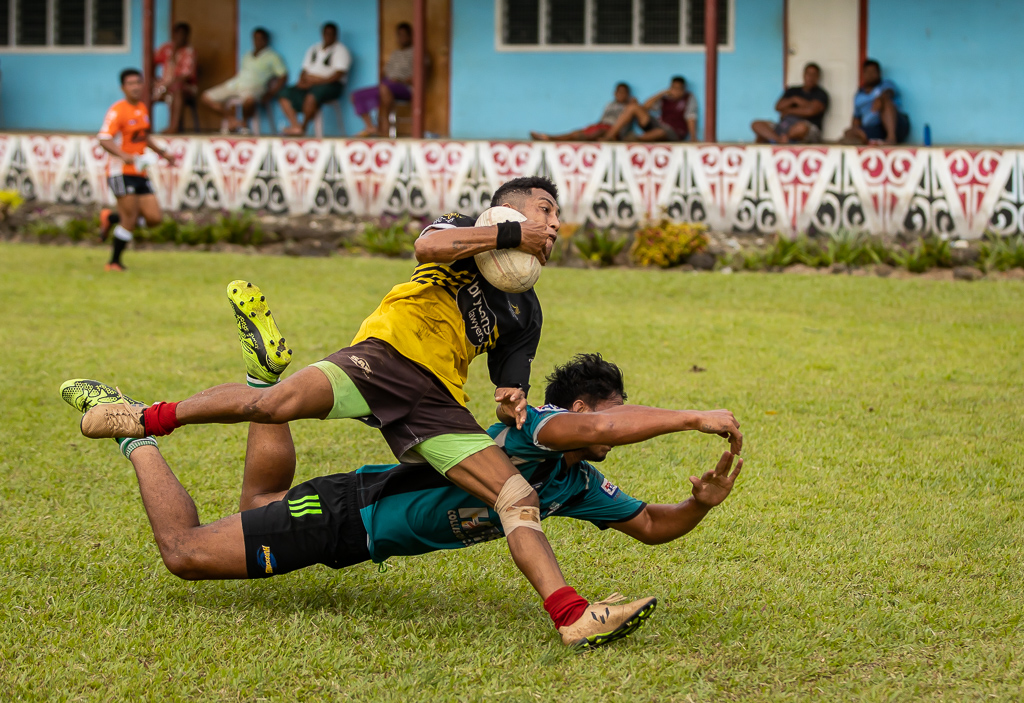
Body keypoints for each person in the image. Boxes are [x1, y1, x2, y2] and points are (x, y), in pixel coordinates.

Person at [76, 176, 741, 647]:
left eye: (554, 218)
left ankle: (571, 615)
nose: (552, 224)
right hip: (383, 357)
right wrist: (508, 229)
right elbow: (427, 247)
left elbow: (511, 386)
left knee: (516, 492)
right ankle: (143, 420)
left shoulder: (525, 311)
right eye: (542, 210)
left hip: (436, 404)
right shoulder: (463, 235)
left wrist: (511, 394)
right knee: (277, 405)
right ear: (504, 211)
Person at [60, 348, 742, 649]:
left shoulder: (577, 483)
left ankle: (261, 380)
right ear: (585, 405)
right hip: (347, 515)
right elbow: (594, 427)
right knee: (185, 553)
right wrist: (689, 416)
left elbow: (652, 523)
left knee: (259, 498)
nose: (616, 433)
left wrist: (702, 504)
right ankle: (130, 431)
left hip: (354, 523)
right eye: (614, 414)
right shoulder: (533, 426)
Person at [96, 69, 175, 272]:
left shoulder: (142, 108)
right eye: (130, 83)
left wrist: (163, 153)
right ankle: (113, 262)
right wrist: (124, 156)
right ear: (123, 88)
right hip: (120, 172)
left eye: (138, 82)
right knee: (130, 220)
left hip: (140, 172)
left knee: (154, 219)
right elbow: (104, 138)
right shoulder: (117, 111)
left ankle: (112, 218)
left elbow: (144, 137)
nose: (135, 86)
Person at [201, 27, 288, 133]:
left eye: (260, 39)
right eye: (255, 38)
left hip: (255, 88)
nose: (257, 41)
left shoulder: (273, 57)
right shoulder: (247, 55)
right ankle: (232, 119)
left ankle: (244, 123)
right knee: (205, 97)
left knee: (250, 101)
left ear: (266, 40)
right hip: (235, 85)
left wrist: (271, 93)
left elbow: (283, 76)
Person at [278, 22, 351, 136]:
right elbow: (304, 70)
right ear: (322, 34)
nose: (328, 36)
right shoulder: (314, 48)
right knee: (284, 93)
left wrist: (316, 81)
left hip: (331, 85)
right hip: (309, 83)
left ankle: (304, 127)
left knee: (312, 95)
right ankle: (295, 125)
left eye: (331, 34)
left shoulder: (341, 50)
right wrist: (302, 82)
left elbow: (338, 75)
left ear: (336, 35)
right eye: (326, 33)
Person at [351, 22, 416, 138]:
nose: (401, 38)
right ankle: (370, 127)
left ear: (411, 36)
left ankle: (385, 130)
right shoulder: (395, 54)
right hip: (387, 85)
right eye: (399, 35)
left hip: (405, 88)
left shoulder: (417, 53)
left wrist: (403, 80)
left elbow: (419, 77)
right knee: (355, 95)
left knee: (384, 89)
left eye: (404, 35)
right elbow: (386, 73)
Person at [597, 76, 698, 143]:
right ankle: (610, 136)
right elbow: (645, 107)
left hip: (674, 132)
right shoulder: (665, 98)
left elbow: (691, 118)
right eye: (673, 88)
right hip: (660, 124)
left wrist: (693, 138)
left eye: (678, 89)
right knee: (633, 107)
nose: (675, 91)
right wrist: (661, 93)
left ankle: (635, 139)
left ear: (683, 89)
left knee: (660, 132)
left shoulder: (688, 98)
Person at [751, 63, 829, 144]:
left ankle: (786, 138)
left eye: (814, 74)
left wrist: (788, 111)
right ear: (804, 75)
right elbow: (778, 107)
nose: (810, 77)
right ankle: (780, 140)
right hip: (784, 126)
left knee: (801, 127)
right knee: (756, 124)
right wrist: (794, 99)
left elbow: (811, 111)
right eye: (808, 73)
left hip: (805, 129)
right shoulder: (793, 90)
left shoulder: (821, 94)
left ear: (818, 77)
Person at [530, 83, 636, 142]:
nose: (621, 95)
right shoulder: (610, 105)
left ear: (628, 94)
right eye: (619, 92)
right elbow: (602, 120)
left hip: (612, 132)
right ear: (615, 93)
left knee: (596, 133)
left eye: (623, 92)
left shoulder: (630, 106)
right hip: (601, 126)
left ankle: (550, 138)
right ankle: (549, 137)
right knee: (577, 132)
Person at [840, 59, 910, 146]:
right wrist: (856, 131)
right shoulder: (859, 95)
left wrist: (881, 98)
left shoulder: (886, 84)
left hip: (896, 125)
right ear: (863, 74)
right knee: (849, 132)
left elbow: (889, 92)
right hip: (874, 129)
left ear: (879, 73)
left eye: (873, 72)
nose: (870, 75)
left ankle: (891, 139)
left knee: (886, 102)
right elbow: (856, 118)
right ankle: (868, 141)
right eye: (868, 72)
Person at [153, 22, 198, 134]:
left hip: (185, 88)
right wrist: (154, 79)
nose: (181, 37)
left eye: (184, 34)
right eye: (178, 34)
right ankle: (143, 127)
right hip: (164, 85)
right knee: (143, 90)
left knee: (177, 89)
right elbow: (151, 62)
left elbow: (185, 77)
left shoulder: (189, 52)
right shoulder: (166, 48)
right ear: (173, 34)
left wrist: (166, 86)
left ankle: (174, 127)